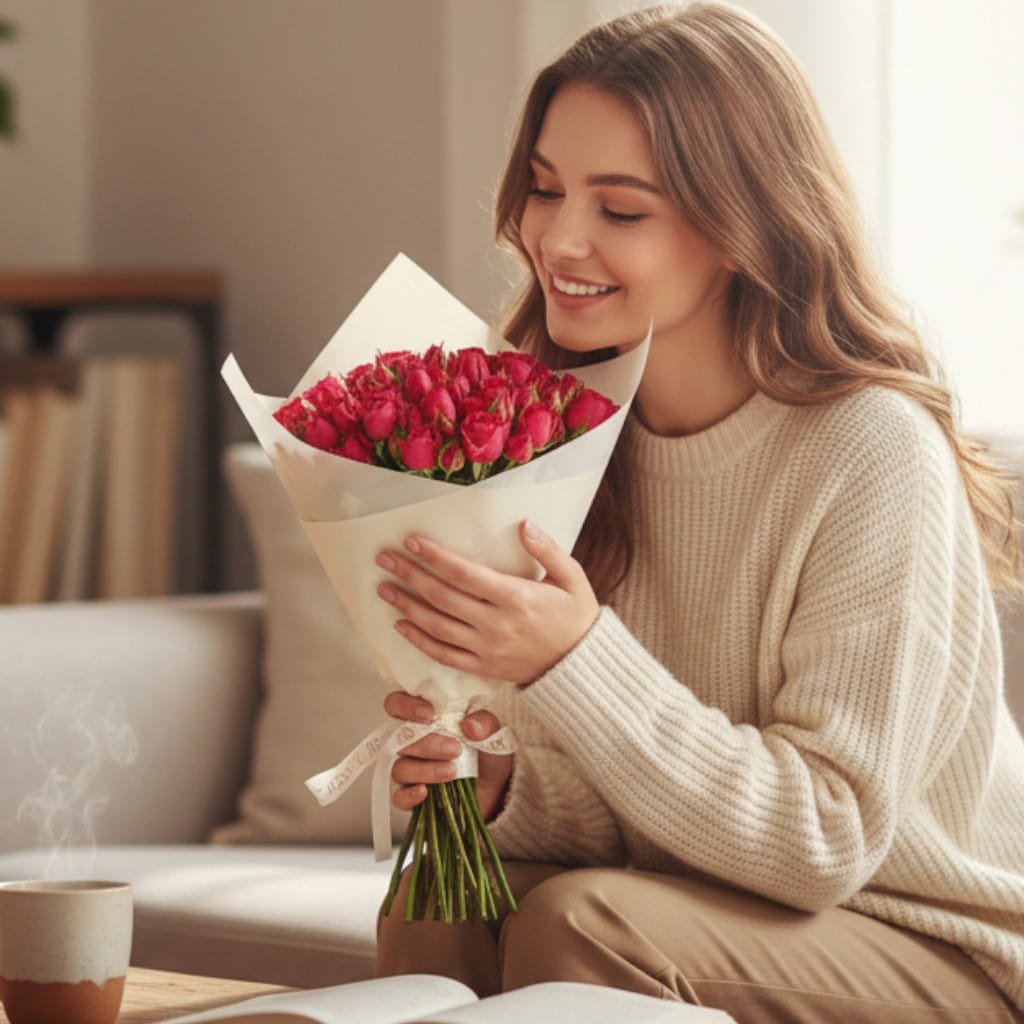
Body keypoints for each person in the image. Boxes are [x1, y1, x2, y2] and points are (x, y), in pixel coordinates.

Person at [372, 3, 1024, 1020]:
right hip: (718, 905)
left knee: (581, 923)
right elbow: (646, 816)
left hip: (931, 942)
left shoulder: (870, 448)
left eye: (620, 209)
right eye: (545, 189)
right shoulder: (552, 436)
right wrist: (499, 787)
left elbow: (822, 841)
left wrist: (575, 655)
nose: (558, 237)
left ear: (742, 225)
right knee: (437, 891)